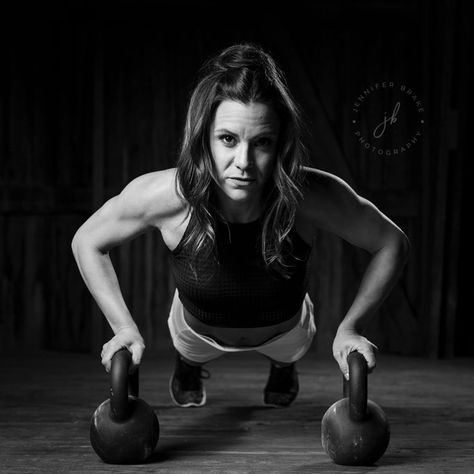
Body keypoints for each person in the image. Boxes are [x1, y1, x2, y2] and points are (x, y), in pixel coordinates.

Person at [71, 43, 409, 408]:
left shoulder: (308, 195)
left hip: (288, 333)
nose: (244, 161)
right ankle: (189, 365)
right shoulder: (167, 195)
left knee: (289, 351)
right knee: (191, 350)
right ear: (205, 138)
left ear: (280, 145)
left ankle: (282, 365)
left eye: (262, 142)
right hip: (195, 334)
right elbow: (87, 240)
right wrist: (123, 326)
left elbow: (391, 242)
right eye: (228, 139)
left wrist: (351, 327)